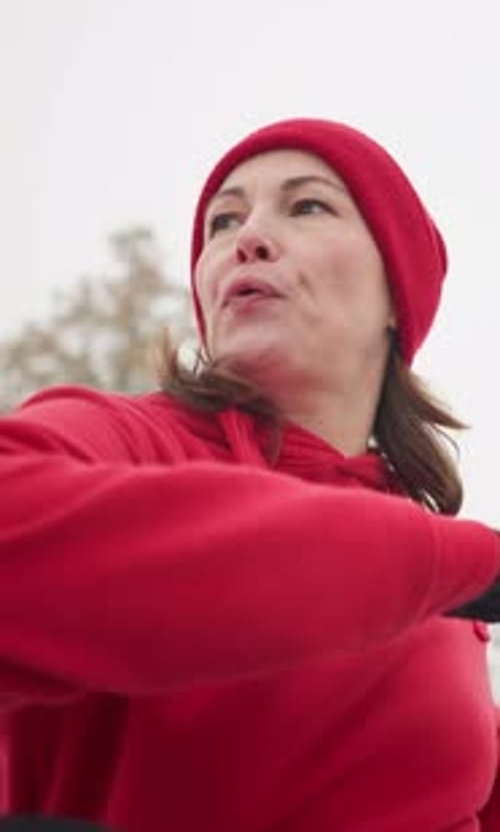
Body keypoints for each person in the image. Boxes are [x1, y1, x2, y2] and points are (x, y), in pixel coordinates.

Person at [0, 117, 500, 832]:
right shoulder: (126, 442)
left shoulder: (452, 592)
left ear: (399, 292)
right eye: (223, 222)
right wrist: (459, 561)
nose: (247, 239)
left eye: (307, 206)